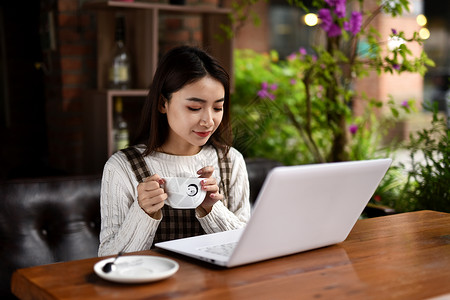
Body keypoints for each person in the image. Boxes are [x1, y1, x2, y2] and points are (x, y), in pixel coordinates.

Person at [98, 45, 251, 256]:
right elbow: (107, 258)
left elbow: (248, 247)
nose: (208, 120)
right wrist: (142, 212)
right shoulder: (123, 167)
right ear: (163, 103)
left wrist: (212, 209)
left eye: (217, 107)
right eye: (194, 108)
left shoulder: (230, 161)